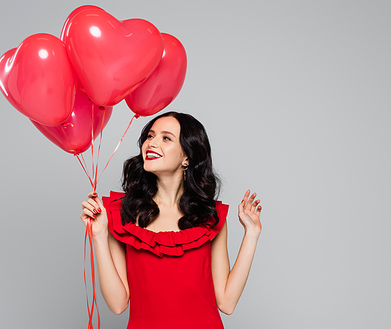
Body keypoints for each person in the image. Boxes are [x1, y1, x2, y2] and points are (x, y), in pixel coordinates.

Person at [80, 111, 262, 329]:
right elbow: (118, 304)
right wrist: (99, 236)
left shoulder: (209, 216)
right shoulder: (121, 214)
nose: (152, 143)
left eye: (166, 138)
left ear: (187, 157)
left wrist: (251, 234)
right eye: (150, 136)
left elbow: (227, 302)